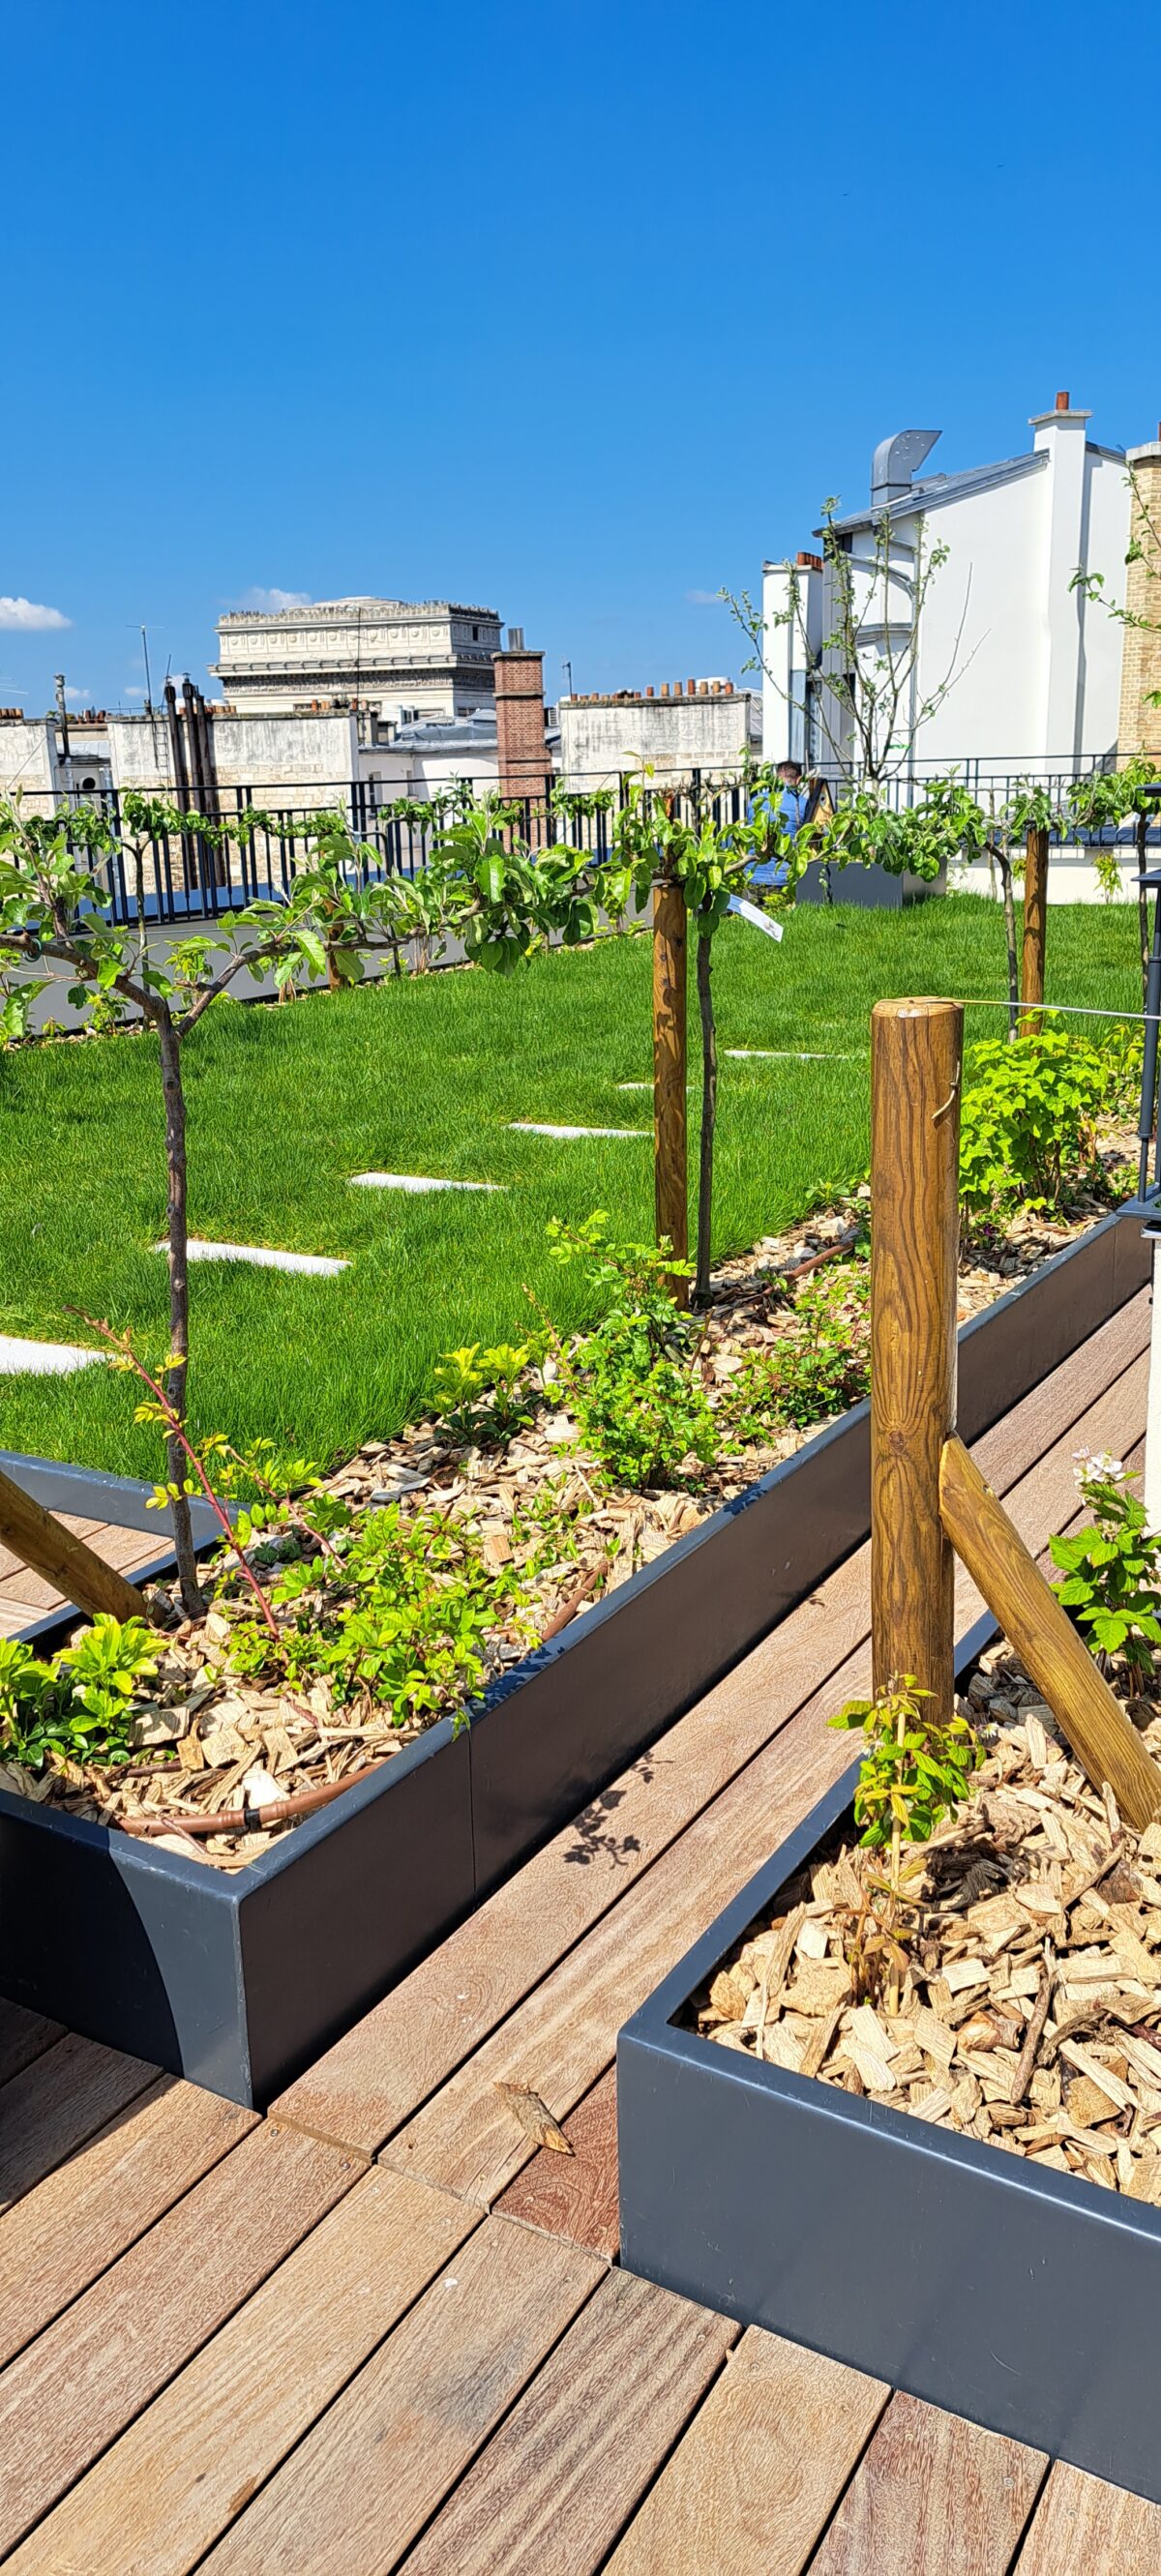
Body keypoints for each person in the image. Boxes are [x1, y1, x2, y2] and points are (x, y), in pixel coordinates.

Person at [749, 757, 811, 894]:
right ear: (798, 780)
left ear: (776, 777)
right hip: (782, 877)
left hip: (752, 874)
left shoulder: (755, 801)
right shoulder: (804, 804)